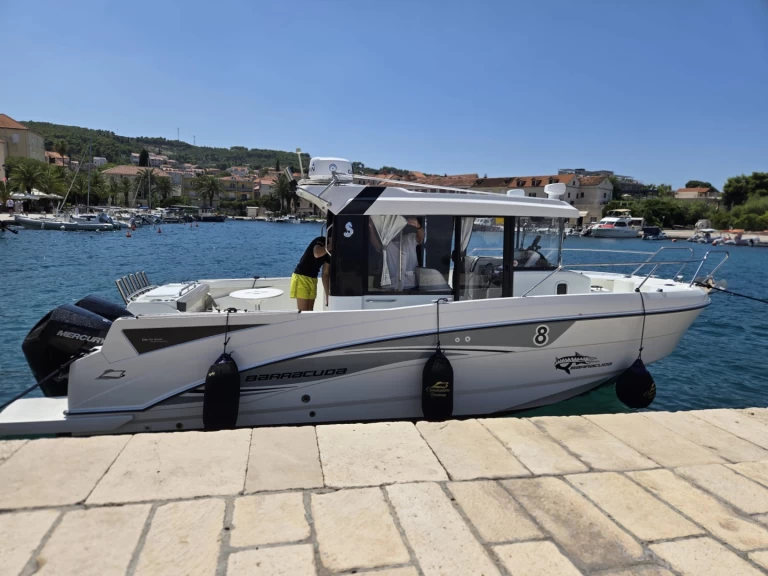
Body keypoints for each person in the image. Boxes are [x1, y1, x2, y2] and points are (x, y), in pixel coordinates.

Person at [369, 216, 424, 290]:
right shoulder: (386, 244)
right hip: (392, 286)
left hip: (410, 285)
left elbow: (420, 237)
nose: (395, 231)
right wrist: (371, 228)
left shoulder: (409, 238)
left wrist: (418, 226)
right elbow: (376, 244)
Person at [290, 236, 331, 311]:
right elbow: (317, 253)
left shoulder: (331, 252)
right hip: (302, 276)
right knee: (303, 312)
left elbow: (325, 274)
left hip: (313, 279)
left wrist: (327, 295)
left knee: (310, 311)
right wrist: (331, 245)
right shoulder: (321, 240)